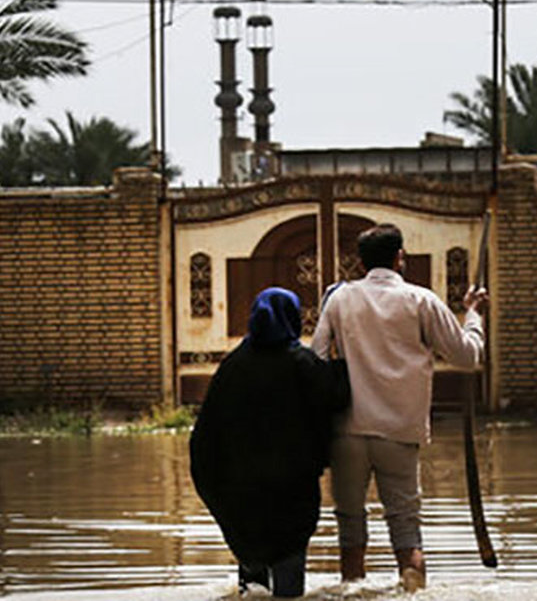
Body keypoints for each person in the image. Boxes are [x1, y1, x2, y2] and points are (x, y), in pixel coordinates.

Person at [312, 223, 487, 591]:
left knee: (349, 524)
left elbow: (314, 357)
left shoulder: (340, 300)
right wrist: (473, 315)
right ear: (400, 257)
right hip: (399, 433)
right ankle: (411, 586)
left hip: (347, 432)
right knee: (406, 527)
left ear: (360, 264)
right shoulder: (421, 301)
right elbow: (468, 356)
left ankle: (352, 588)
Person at [190, 287, 351, 598]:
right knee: (289, 579)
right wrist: (339, 360)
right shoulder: (302, 363)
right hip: (291, 492)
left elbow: (206, 435)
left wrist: (216, 486)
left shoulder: (233, 366)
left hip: (240, 495)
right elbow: (336, 397)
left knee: (252, 583)